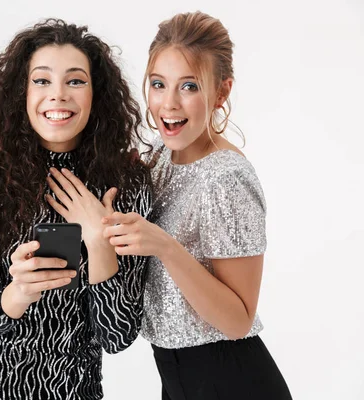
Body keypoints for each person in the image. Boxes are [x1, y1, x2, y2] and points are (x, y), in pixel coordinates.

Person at [0, 19, 152, 400]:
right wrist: (18, 290)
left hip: (71, 390)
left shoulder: (129, 181)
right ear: (22, 91)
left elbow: (118, 335)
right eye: (41, 81)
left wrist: (98, 239)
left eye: (75, 81)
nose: (57, 95)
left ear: (96, 93)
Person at [102, 11, 292, 400]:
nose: (168, 104)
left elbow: (238, 321)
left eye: (188, 86)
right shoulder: (156, 157)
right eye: (158, 84)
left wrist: (165, 246)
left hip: (230, 380)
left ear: (221, 93)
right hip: (175, 378)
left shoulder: (226, 179)